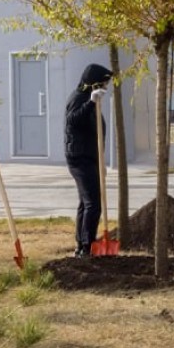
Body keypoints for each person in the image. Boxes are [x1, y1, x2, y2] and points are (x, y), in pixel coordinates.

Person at [64, 63, 114, 258]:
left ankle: (81, 245)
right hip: (79, 158)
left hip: (90, 157)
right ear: (93, 83)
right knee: (93, 204)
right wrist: (91, 103)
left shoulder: (89, 99)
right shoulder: (79, 99)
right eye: (103, 84)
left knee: (86, 204)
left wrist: (100, 161)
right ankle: (87, 246)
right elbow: (73, 120)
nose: (105, 88)